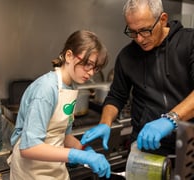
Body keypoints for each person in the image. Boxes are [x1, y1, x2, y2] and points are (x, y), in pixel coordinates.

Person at [81, 0, 194, 157]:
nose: (139, 39)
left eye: (145, 30)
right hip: (146, 147)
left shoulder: (189, 42)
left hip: (188, 147)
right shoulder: (127, 56)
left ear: (162, 19)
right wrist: (105, 122)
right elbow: (116, 96)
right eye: (133, 32)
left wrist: (170, 120)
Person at [8, 30, 111, 180]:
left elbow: (62, 135)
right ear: (69, 56)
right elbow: (29, 147)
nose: (90, 73)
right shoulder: (46, 89)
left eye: (95, 68)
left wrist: (85, 150)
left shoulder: (71, 87)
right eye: (87, 64)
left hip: (54, 168)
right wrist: (77, 155)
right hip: (30, 172)